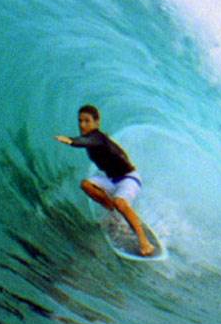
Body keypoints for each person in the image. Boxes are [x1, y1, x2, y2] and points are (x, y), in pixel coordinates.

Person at [54, 104, 155, 256]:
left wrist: (71, 141)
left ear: (96, 122)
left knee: (120, 202)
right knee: (86, 184)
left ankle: (145, 242)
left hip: (129, 179)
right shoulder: (94, 139)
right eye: (80, 121)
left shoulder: (97, 137)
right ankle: (112, 211)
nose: (82, 125)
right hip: (111, 179)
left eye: (87, 121)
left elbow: (85, 141)